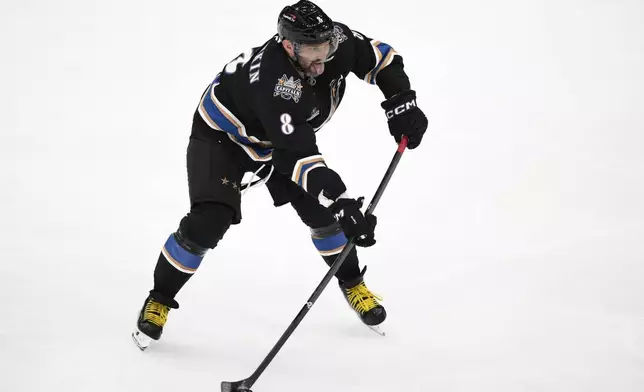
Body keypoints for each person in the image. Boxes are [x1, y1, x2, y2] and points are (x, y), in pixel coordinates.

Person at [132, 0, 428, 350]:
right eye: (313, 52)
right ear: (289, 45)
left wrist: (400, 101)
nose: (323, 59)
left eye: (327, 47)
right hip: (223, 137)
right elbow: (299, 155)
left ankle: (352, 284)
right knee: (209, 221)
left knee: (323, 217)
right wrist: (342, 201)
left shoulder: (334, 42)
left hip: (278, 139)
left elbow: (382, 58)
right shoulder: (275, 83)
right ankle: (159, 299)